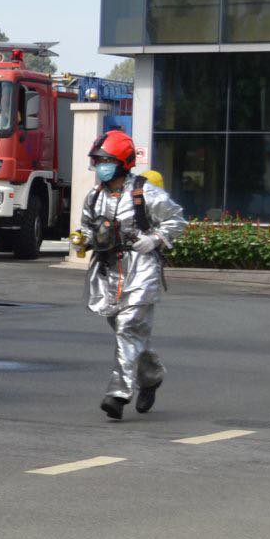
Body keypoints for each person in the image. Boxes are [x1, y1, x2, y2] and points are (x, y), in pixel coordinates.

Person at [73, 130, 187, 420]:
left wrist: (156, 239)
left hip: (141, 268)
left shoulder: (145, 192)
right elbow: (88, 227)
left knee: (127, 328)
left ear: (122, 162)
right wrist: (83, 239)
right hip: (109, 271)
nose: (101, 166)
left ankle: (118, 393)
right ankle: (151, 375)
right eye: (98, 161)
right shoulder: (95, 196)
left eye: (106, 161)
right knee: (130, 333)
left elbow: (176, 219)